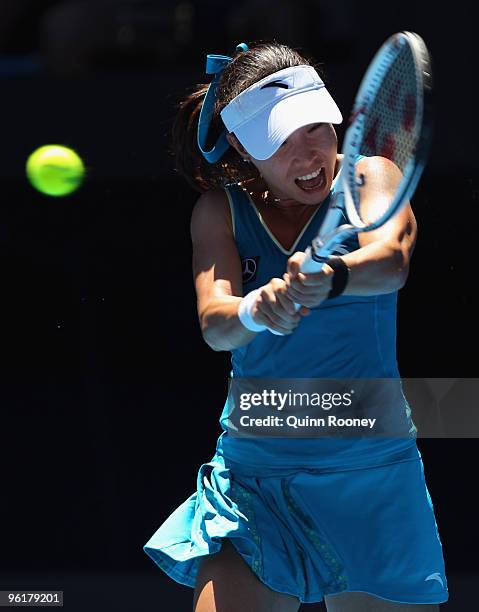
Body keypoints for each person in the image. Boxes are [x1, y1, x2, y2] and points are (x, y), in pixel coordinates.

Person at [143, 41, 448, 611]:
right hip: (255, 480)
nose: (308, 152)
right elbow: (216, 324)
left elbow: (391, 263)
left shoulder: (369, 174)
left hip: (371, 474)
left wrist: (330, 276)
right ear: (241, 147)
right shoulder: (218, 211)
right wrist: (260, 308)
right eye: (281, 140)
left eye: (315, 128)